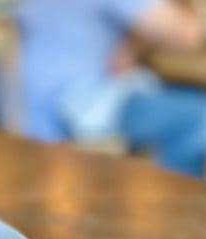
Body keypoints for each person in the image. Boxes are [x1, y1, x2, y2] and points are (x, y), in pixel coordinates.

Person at [12, 0, 206, 177]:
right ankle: (173, 202)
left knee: (187, 99)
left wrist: (134, 41)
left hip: (35, 108)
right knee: (200, 117)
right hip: (75, 107)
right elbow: (188, 34)